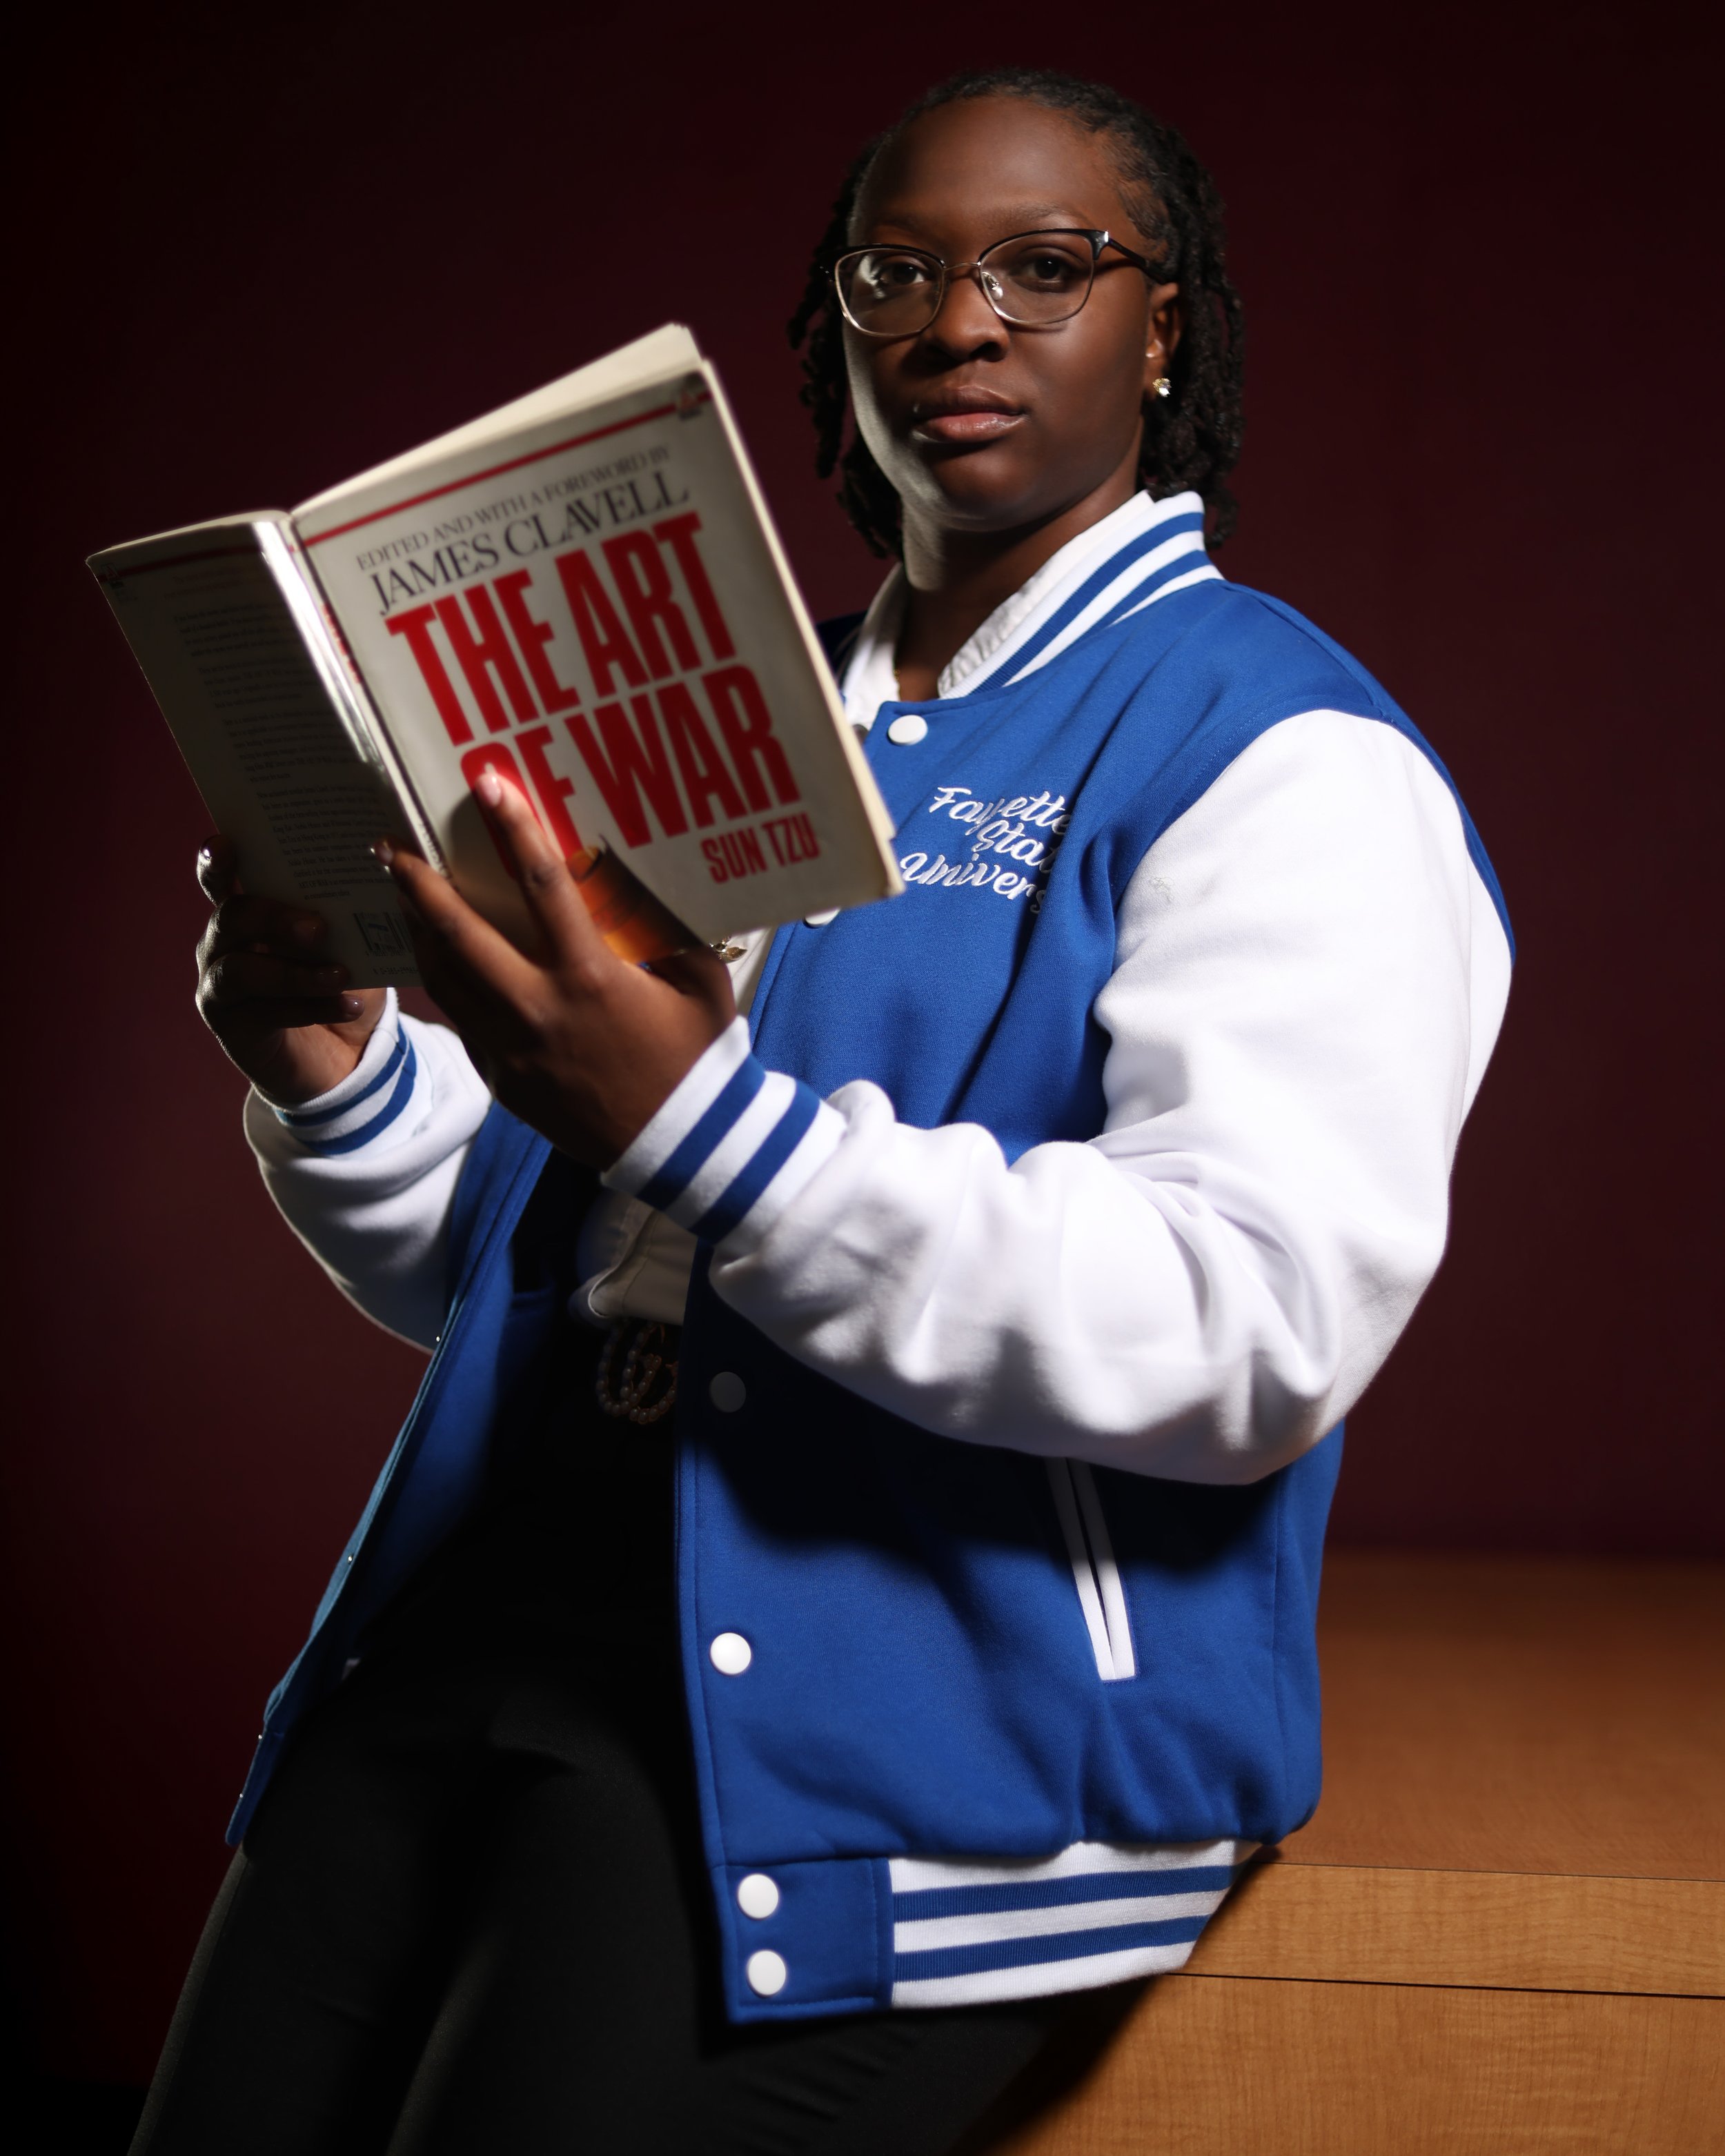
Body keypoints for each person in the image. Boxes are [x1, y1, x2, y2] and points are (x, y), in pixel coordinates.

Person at [132, 66, 1511, 2156]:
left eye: (1044, 269)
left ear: (1163, 326)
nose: (957, 323)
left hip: (919, 1732)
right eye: (898, 269)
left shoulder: (1283, 753)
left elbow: (1250, 1325)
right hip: (499, 1603)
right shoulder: (753, 708)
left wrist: (701, 1122)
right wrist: (339, 1076)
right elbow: (573, 1271)